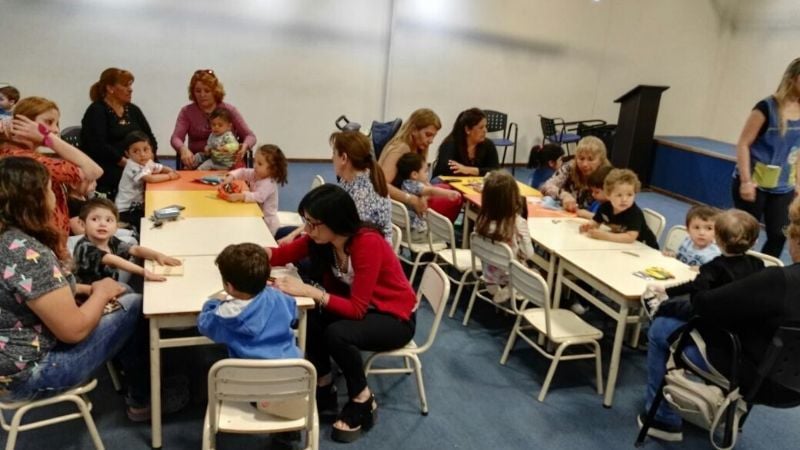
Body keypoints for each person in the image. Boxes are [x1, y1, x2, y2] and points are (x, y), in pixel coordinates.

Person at [639, 197, 800, 443]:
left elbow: (704, 303)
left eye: (789, 228)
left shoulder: (778, 280)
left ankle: (662, 419)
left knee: (662, 327)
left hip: (758, 376)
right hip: (794, 386)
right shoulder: (761, 269)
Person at [268, 184, 416, 443]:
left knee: (337, 333)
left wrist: (310, 290)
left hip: (394, 317)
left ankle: (362, 397)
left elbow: (357, 310)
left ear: (335, 222)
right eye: (306, 222)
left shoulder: (367, 243)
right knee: (310, 316)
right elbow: (281, 254)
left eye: (313, 223)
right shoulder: (321, 239)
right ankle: (324, 385)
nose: (308, 229)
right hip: (365, 309)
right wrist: (243, 257)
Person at [0, 156, 147, 417]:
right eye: (50, 189)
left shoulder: (8, 240)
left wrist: (88, 290)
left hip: (9, 366)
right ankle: (141, 399)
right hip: (32, 375)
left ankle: (135, 386)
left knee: (121, 296)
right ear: (32, 199)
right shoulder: (24, 252)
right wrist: (101, 292)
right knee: (134, 302)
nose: (55, 196)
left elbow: (32, 293)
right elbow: (73, 331)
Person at [0, 96, 103, 238]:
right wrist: (48, 138)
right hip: (43, 242)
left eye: (57, 123)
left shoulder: (13, 150)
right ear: (25, 122)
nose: (55, 129)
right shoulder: (31, 161)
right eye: (48, 122)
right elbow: (94, 171)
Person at [733, 58, 800, 258]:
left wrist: (798, 184)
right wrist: (745, 181)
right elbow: (744, 143)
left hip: (782, 186)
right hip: (754, 182)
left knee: (778, 235)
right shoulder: (766, 108)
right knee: (745, 236)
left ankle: (761, 276)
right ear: (794, 79)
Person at [645, 209, 764, 321]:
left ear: (716, 239)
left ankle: (657, 310)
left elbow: (694, 286)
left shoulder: (714, 266)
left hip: (711, 316)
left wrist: (667, 290)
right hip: (742, 316)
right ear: (755, 242)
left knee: (674, 303)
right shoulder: (757, 263)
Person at [81, 68, 158, 199]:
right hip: (110, 167)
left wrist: (149, 159)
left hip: (139, 163)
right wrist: (128, 163)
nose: (130, 89)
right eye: (125, 85)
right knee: (140, 179)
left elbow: (150, 137)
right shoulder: (96, 111)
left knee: (161, 176)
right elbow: (99, 147)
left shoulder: (133, 110)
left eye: (130, 85)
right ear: (110, 88)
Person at [72, 198, 183, 285]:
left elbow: (134, 249)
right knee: (137, 299)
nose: (102, 224)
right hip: (91, 297)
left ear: (116, 227)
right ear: (82, 224)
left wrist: (158, 255)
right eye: (95, 219)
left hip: (110, 285)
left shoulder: (109, 240)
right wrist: (144, 272)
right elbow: (113, 260)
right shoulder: (84, 247)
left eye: (108, 220)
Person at [170, 69, 256, 169]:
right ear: (193, 92)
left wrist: (245, 146)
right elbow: (175, 138)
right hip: (197, 161)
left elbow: (250, 136)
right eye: (198, 91)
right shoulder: (186, 112)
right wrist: (183, 149)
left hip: (227, 163)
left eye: (207, 91)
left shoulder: (229, 110)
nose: (202, 95)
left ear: (215, 91)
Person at [475, 171, 534, 303]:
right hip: (511, 274)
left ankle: (496, 287)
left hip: (489, 273)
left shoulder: (481, 220)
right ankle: (513, 287)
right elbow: (529, 254)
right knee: (538, 272)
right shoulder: (518, 223)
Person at [379, 108, 449, 218]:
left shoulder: (419, 148)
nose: (431, 141)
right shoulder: (401, 148)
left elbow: (422, 182)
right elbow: (381, 184)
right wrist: (412, 199)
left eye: (433, 136)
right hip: (392, 208)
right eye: (428, 134)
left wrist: (424, 196)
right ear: (414, 130)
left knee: (445, 191)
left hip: (405, 206)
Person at [115, 131, 179, 233]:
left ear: (151, 149)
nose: (142, 154)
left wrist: (172, 171)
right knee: (149, 224)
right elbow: (150, 179)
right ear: (128, 154)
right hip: (126, 210)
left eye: (145, 149)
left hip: (138, 205)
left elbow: (161, 168)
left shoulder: (147, 162)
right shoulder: (132, 166)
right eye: (136, 151)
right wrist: (170, 176)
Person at [579, 168, 659, 249]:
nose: (624, 199)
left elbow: (630, 237)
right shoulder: (605, 207)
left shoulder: (635, 213)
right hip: (622, 247)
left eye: (629, 195)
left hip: (645, 249)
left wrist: (605, 236)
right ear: (608, 195)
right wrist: (588, 226)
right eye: (619, 195)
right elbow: (596, 221)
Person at [221, 144, 288, 235]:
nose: (255, 166)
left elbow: (259, 197)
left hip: (267, 224)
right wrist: (231, 176)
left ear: (273, 169)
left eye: (260, 164)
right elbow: (243, 172)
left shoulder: (269, 183)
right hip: (256, 214)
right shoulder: (257, 173)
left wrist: (241, 196)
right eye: (255, 161)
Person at [393, 152, 460, 236]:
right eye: (425, 171)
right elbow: (431, 191)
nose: (427, 174)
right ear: (414, 175)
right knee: (445, 236)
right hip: (417, 231)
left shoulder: (405, 184)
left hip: (406, 230)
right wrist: (448, 193)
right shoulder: (415, 185)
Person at [541, 136, 610, 212]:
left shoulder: (608, 175)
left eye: (591, 159)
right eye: (581, 158)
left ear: (601, 160)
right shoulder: (569, 167)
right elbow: (546, 186)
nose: (584, 164)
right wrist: (563, 194)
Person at [431, 107, 500, 180]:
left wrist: (468, 170)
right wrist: (479, 172)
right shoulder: (450, 144)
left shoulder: (488, 145)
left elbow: (495, 171)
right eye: (481, 127)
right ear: (467, 130)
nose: (485, 130)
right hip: (446, 182)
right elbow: (446, 170)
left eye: (486, 126)